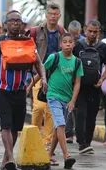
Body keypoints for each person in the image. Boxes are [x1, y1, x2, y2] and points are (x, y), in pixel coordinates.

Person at [0, 10, 47, 170]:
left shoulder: (28, 42)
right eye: (12, 20)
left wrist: (43, 77)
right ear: (6, 23)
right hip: (1, 90)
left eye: (18, 21)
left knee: (16, 127)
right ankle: (11, 158)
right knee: (6, 125)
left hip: (20, 90)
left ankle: (6, 160)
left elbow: (38, 63)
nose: (16, 23)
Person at [28, 33, 83, 169]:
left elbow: (77, 83)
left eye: (70, 42)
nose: (68, 44)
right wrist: (29, 86)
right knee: (61, 124)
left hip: (67, 99)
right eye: (65, 42)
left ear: (73, 45)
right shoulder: (54, 57)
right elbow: (42, 72)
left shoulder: (77, 62)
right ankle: (67, 156)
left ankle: (49, 154)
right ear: (60, 44)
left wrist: (73, 100)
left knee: (58, 127)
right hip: (53, 96)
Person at [25, 2, 66, 149]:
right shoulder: (36, 31)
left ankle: (46, 142)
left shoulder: (62, 32)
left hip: (56, 76)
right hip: (38, 73)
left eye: (56, 14)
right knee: (38, 108)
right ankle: (33, 136)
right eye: (50, 13)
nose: (53, 16)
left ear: (59, 16)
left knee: (50, 111)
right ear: (46, 15)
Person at [72, 20, 106, 154]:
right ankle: (81, 142)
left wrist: (102, 79)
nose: (92, 34)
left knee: (91, 116)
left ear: (99, 31)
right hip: (79, 87)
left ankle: (87, 142)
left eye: (95, 32)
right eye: (90, 31)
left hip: (95, 88)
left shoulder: (103, 47)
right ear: (84, 30)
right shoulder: (77, 46)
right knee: (80, 114)